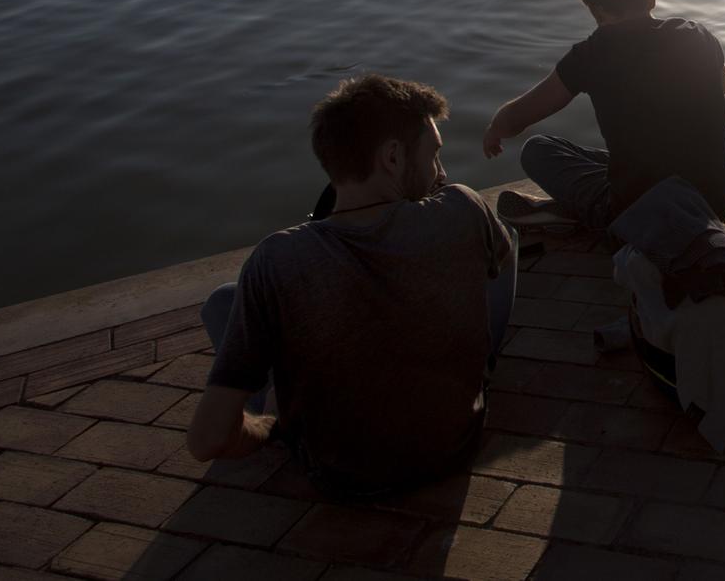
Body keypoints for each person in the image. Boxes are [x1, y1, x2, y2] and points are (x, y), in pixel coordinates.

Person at [188, 76, 515, 496]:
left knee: (223, 301)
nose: (442, 172)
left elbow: (207, 440)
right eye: (433, 156)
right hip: (453, 448)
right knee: (502, 241)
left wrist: (273, 423)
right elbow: (496, 269)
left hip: (340, 473)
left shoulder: (278, 259)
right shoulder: (462, 207)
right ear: (393, 157)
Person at [485, 0, 725, 230]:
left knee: (537, 150)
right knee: (626, 161)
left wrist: (496, 127)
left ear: (596, 10)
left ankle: (581, 213)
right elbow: (724, 85)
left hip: (642, 211)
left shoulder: (591, 55)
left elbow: (515, 120)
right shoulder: (696, 34)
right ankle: (586, 205)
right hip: (717, 196)